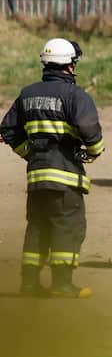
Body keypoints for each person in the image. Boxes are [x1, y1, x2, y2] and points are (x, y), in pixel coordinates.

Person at [0, 38, 104, 297]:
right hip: (66, 177)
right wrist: (93, 151)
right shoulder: (76, 96)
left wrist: (29, 153)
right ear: (70, 65)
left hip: (37, 177)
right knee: (68, 228)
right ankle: (61, 284)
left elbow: (8, 129)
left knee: (37, 227)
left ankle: (29, 283)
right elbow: (91, 134)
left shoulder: (27, 94)